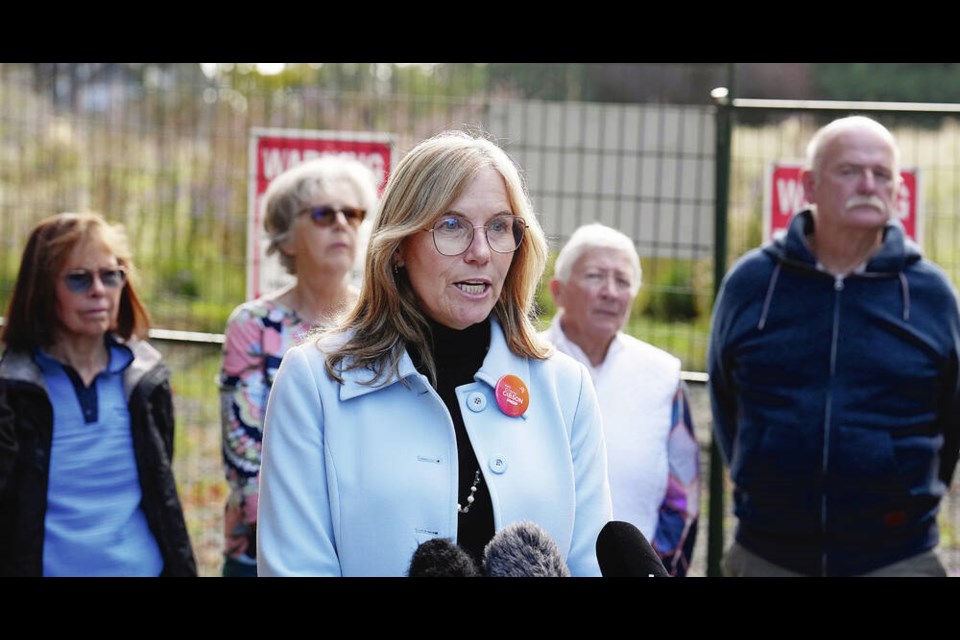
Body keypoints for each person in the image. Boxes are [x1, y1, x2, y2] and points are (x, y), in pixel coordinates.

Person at [256, 129, 613, 577]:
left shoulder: (565, 387)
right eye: (451, 225)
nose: (481, 252)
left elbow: (591, 564)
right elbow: (296, 567)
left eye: (500, 227)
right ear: (399, 246)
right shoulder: (315, 381)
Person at [708, 115, 960, 577]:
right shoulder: (752, 285)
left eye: (882, 174)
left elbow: (953, 419)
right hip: (767, 556)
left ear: (898, 190)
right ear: (809, 185)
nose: (868, 184)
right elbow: (726, 403)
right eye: (849, 171)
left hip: (898, 557)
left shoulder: (931, 295)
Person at [0, 212, 197, 576]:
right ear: (41, 288)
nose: (98, 290)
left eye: (111, 275)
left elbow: (161, 494)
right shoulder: (13, 388)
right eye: (78, 279)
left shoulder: (145, 379)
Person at [217, 156, 379, 577]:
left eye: (353, 214)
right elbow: (246, 458)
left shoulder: (383, 322)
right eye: (324, 214)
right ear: (287, 239)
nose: (342, 223)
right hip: (263, 555)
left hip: (368, 552)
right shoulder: (252, 326)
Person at [543, 222, 700, 576]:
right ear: (558, 290)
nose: (610, 292)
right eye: (596, 276)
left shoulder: (662, 375)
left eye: (623, 281)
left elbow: (684, 499)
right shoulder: (522, 363)